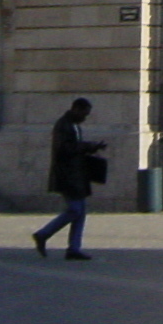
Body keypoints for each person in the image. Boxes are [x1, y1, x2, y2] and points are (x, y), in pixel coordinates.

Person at [33, 98, 107, 259]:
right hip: (67, 175)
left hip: (76, 174)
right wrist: (87, 146)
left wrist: (92, 147)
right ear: (75, 109)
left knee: (80, 212)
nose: (84, 118)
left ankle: (74, 248)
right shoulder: (63, 125)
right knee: (75, 209)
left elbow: (75, 146)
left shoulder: (74, 126)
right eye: (84, 114)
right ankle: (43, 234)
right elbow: (64, 149)